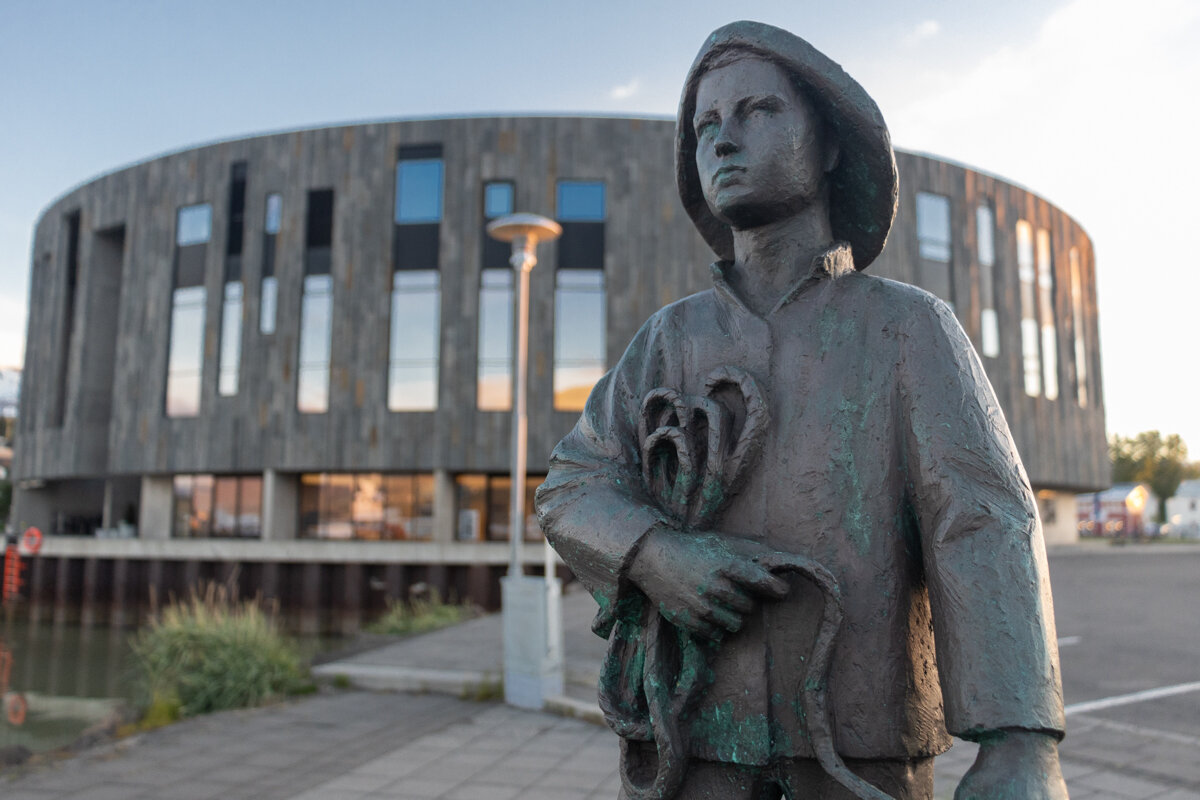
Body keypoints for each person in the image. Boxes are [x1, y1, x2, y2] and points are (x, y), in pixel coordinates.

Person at [536, 20, 1068, 800]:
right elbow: (570, 484)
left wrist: (1021, 743)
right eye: (706, 126)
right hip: (690, 749)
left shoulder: (907, 327)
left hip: (859, 759)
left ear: (827, 146)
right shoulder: (668, 338)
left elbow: (982, 521)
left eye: (758, 112)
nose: (724, 140)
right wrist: (654, 554)